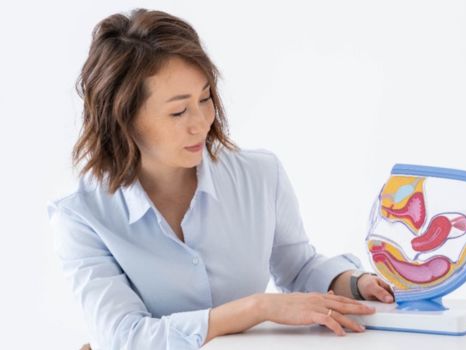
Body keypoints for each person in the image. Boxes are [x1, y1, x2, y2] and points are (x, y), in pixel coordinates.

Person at [47, 8, 395, 349]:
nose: (202, 122)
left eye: (205, 97)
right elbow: (124, 337)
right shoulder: (81, 217)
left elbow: (299, 270)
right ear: (122, 119)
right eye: (178, 111)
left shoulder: (260, 176)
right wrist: (256, 307)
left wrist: (354, 283)